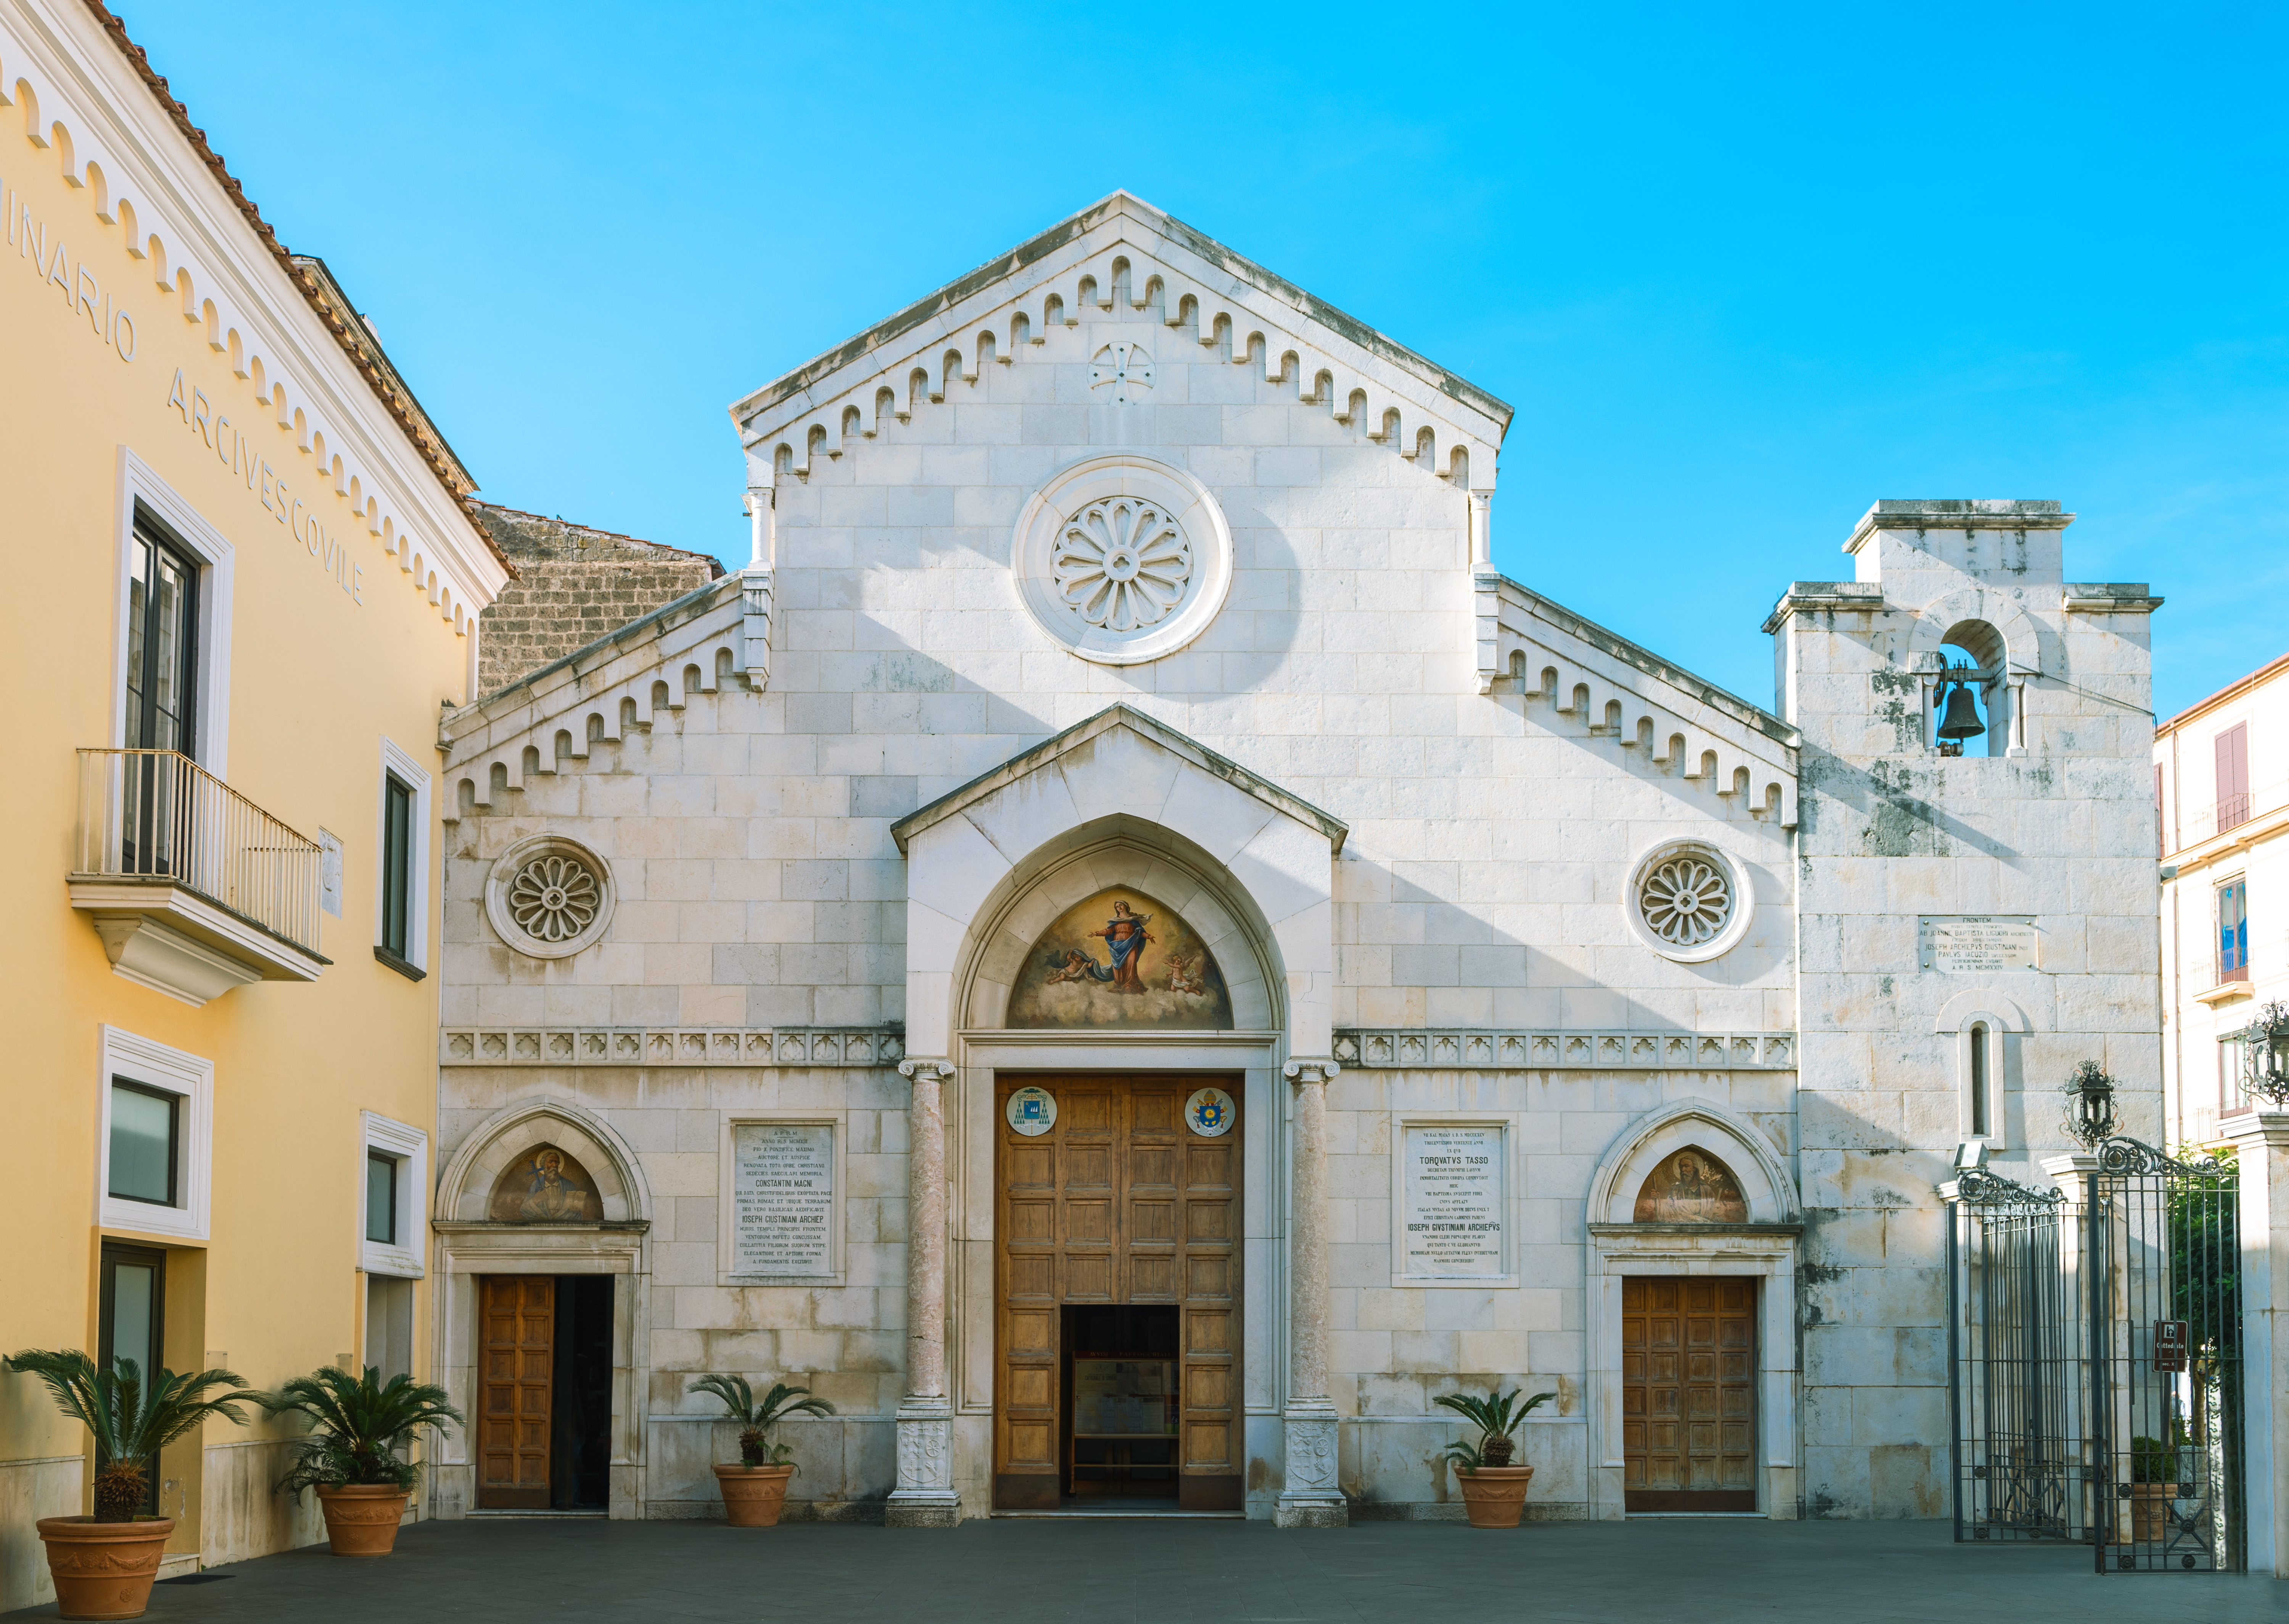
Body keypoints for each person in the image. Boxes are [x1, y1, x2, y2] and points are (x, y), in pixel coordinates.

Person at [1088, 900, 1156, 993]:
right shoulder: (1115, 921)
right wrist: (1097, 933)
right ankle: (1118, 986)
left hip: (1131, 945)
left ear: (1126, 906)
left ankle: (1129, 985)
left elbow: (1140, 932)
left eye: (1121, 905)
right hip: (1117, 948)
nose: (1119, 908)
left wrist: (1149, 936)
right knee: (1118, 968)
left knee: (1131, 965)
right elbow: (1108, 931)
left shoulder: (1133, 920)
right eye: (1117, 907)